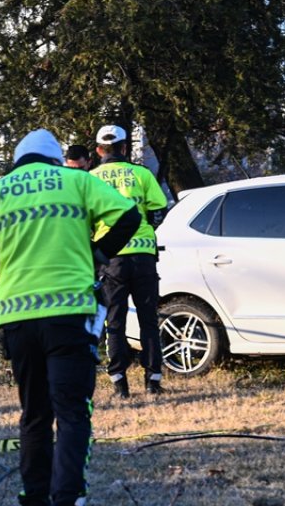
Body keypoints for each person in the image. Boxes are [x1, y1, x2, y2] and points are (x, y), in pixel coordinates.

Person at [0, 129, 140, 506]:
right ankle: (68, 497)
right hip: (70, 314)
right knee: (72, 413)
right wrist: (98, 252)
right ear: (53, 159)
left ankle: (34, 496)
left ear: (17, 161)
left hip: (17, 318)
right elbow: (130, 216)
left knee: (34, 413)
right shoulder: (77, 180)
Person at [91, 124, 169, 397]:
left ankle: (119, 383)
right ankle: (153, 381)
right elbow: (160, 211)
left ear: (99, 150)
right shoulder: (142, 174)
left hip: (110, 261)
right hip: (144, 256)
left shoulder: (89, 179)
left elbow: (82, 221)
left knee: (114, 322)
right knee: (149, 319)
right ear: (124, 148)